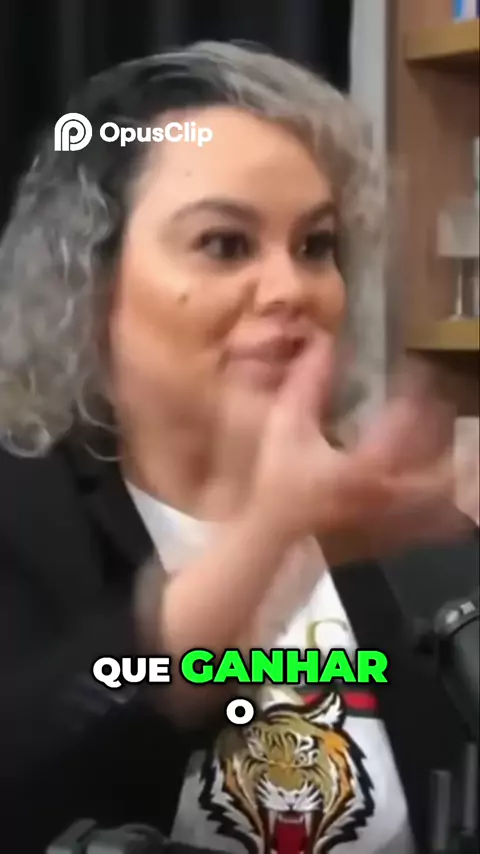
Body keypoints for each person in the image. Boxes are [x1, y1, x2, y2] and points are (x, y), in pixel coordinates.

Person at [0, 41, 477, 854]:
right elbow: (31, 772)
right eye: (225, 244)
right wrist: (263, 543)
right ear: (89, 281)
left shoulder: (408, 546)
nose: (291, 290)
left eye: (316, 246)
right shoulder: (22, 524)